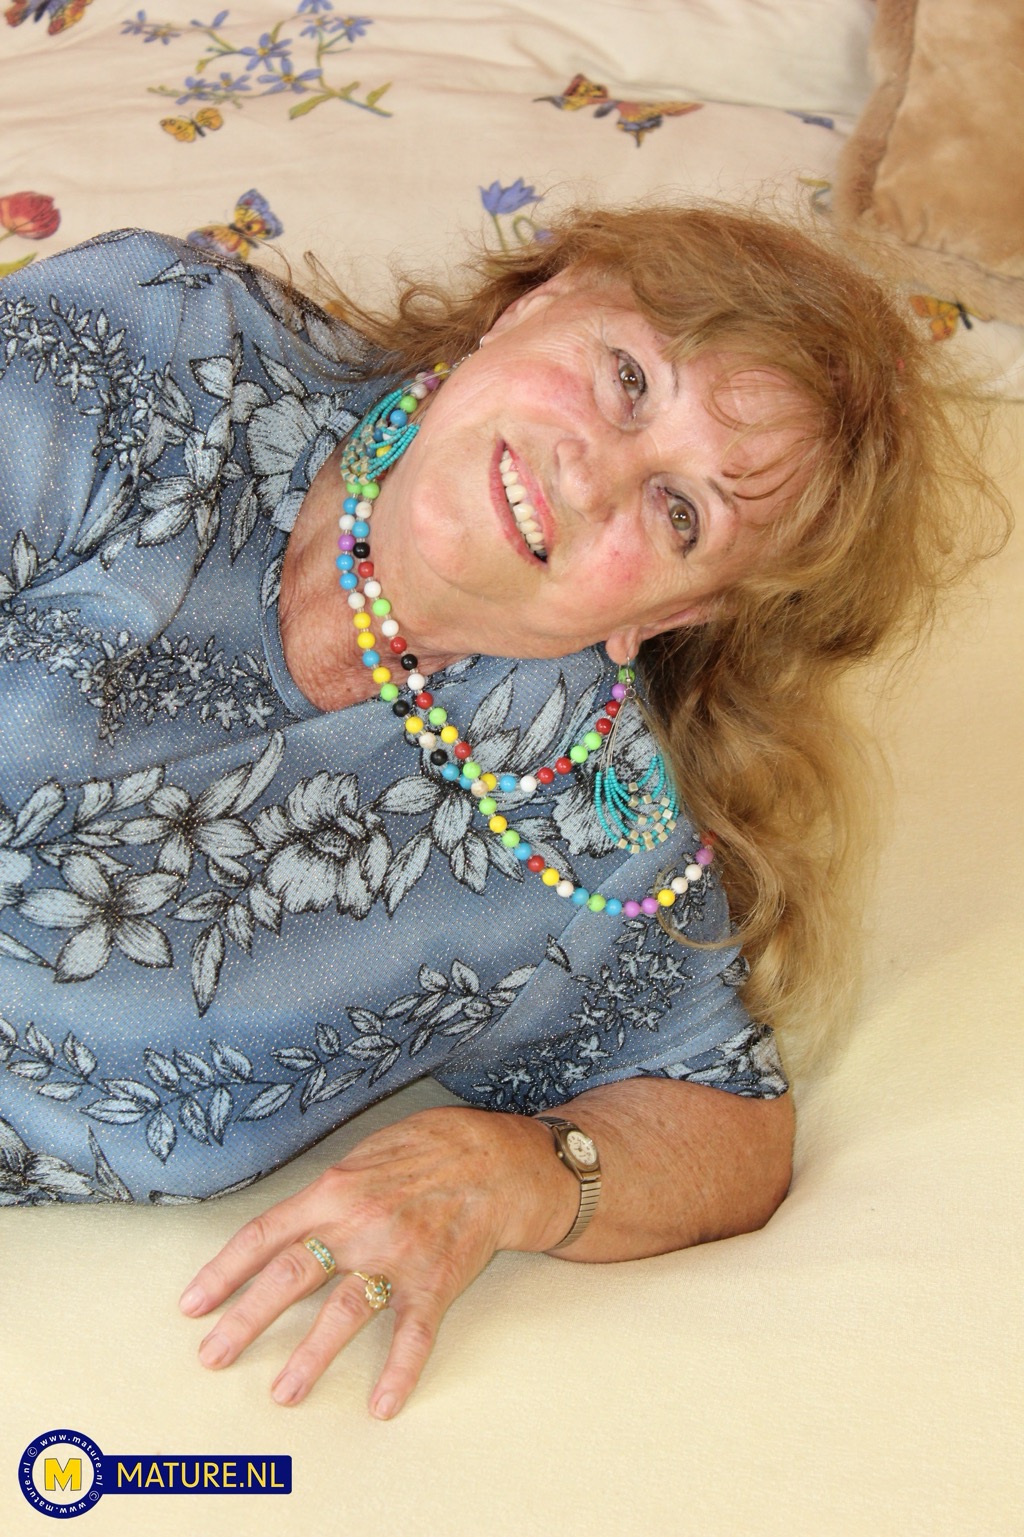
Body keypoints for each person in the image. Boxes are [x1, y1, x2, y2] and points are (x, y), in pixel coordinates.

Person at [0, 205, 995, 1421]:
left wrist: (514, 1169)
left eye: (682, 511)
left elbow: (727, 1123)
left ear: (673, 615)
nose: (595, 474)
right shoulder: (150, 350)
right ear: (538, 300)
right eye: (628, 379)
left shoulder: (575, 828)